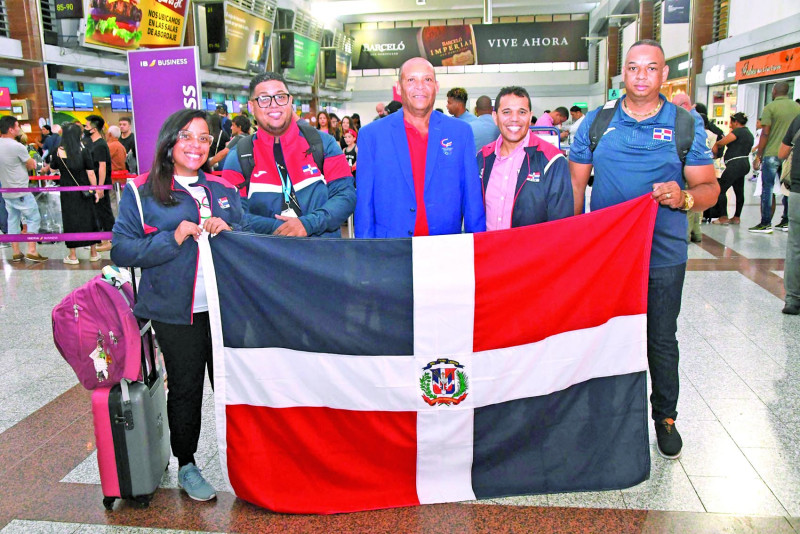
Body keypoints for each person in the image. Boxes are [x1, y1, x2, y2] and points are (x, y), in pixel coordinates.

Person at [569, 40, 718, 461]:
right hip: (607, 256)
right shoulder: (597, 124)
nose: (640, 76)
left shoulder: (685, 125)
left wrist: (684, 196)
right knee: (602, 335)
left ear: (663, 75)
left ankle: (665, 417)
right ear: (623, 75)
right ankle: (600, 416)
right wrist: (574, 244)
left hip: (663, 255)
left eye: (650, 69)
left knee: (660, 338)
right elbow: (576, 188)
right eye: (633, 68)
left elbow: (710, 188)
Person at [111, 108, 243, 502]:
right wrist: (173, 237)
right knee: (186, 389)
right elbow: (121, 249)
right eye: (187, 136)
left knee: (234, 387)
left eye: (204, 138)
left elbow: (251, 227)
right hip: (175, 313)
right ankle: (186, 463)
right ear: (169, 142)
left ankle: (246, 460)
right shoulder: (144, 191)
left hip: (226, 310)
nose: (196, 145)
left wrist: (232, 228)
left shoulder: (222, 188)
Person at [354, 57, 485, 238]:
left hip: (443, 249)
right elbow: (364, 205)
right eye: (411, 80)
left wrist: (476, 250)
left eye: (427, 79)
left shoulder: (460, 133)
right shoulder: (372, 136)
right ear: (399, 87)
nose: (420, 86)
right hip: (391, 251)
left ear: (436, 87)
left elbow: (472, 199)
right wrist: (365, 253)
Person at [222, 71, 355, 237]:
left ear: (290, 101)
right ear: (251, 106)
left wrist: (308, 224)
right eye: (264, 98)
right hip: (266, 258)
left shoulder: (322, 143)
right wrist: (281, 228)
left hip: (323, 256)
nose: (274, 104)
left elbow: (345, 195)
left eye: (280, 97)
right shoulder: (239, 156)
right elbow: (234, 213)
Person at [477, 86, 573, 230]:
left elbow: (561, 226)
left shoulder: (552, 161)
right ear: (495, 117)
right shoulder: (483, 157)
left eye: (522, 112)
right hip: (488, 250)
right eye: (506, 112)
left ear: (529, 116)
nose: (514, 119)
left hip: (531, 251)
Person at [46, 123, 101, 264]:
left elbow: (52, 170)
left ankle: (73, 255)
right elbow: (91, 173)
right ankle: (93, 252)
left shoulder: (57, 152)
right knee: (89, 219)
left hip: (67, 192)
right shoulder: (84, 150)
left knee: (70, 220)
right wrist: (95, 189)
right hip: (84, 191)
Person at [751, 82, 800, 234]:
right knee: (787, 187)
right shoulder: (796, 107)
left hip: (772, 152)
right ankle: (785, 221)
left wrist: (758, 155)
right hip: (790, 153)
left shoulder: (770, 107)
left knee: (768, 188)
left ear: (774, 92)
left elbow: (765, 132)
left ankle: (765, 223)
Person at [0, 116, 47, 262]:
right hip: (20, 188)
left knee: (13, 219)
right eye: (17, 125)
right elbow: (31, 164)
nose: (19, 128)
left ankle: (16, 251)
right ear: (10, 129)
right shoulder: (17, 146)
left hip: (6, 189)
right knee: (33, 217)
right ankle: (32, 250)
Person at [710, 112, 754, 225]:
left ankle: (723, 216)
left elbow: (722, 143)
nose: (730, 125)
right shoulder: (749, 133)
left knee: (720, 189)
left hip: (735, 164)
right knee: (739, 190)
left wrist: (716, 145)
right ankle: (737, 217)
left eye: (731, 122)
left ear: (736, 122)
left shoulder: (738, 131)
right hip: (744, 163)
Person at [85, 115, 115, 252]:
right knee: (98, 211)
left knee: (104, 211)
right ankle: (103, 238)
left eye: (87, 126)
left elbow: (102, 167)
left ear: (94, 129)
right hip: (94, 183)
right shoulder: (91, 144)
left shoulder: (101, 145)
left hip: (101, 183)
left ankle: (109, 239)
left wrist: (100, 186)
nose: (85, 129)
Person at [780, 113, 800, 314]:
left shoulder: (798, 119)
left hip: (798, 192)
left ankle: (793, 299)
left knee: (795, 246)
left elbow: (782, 152)